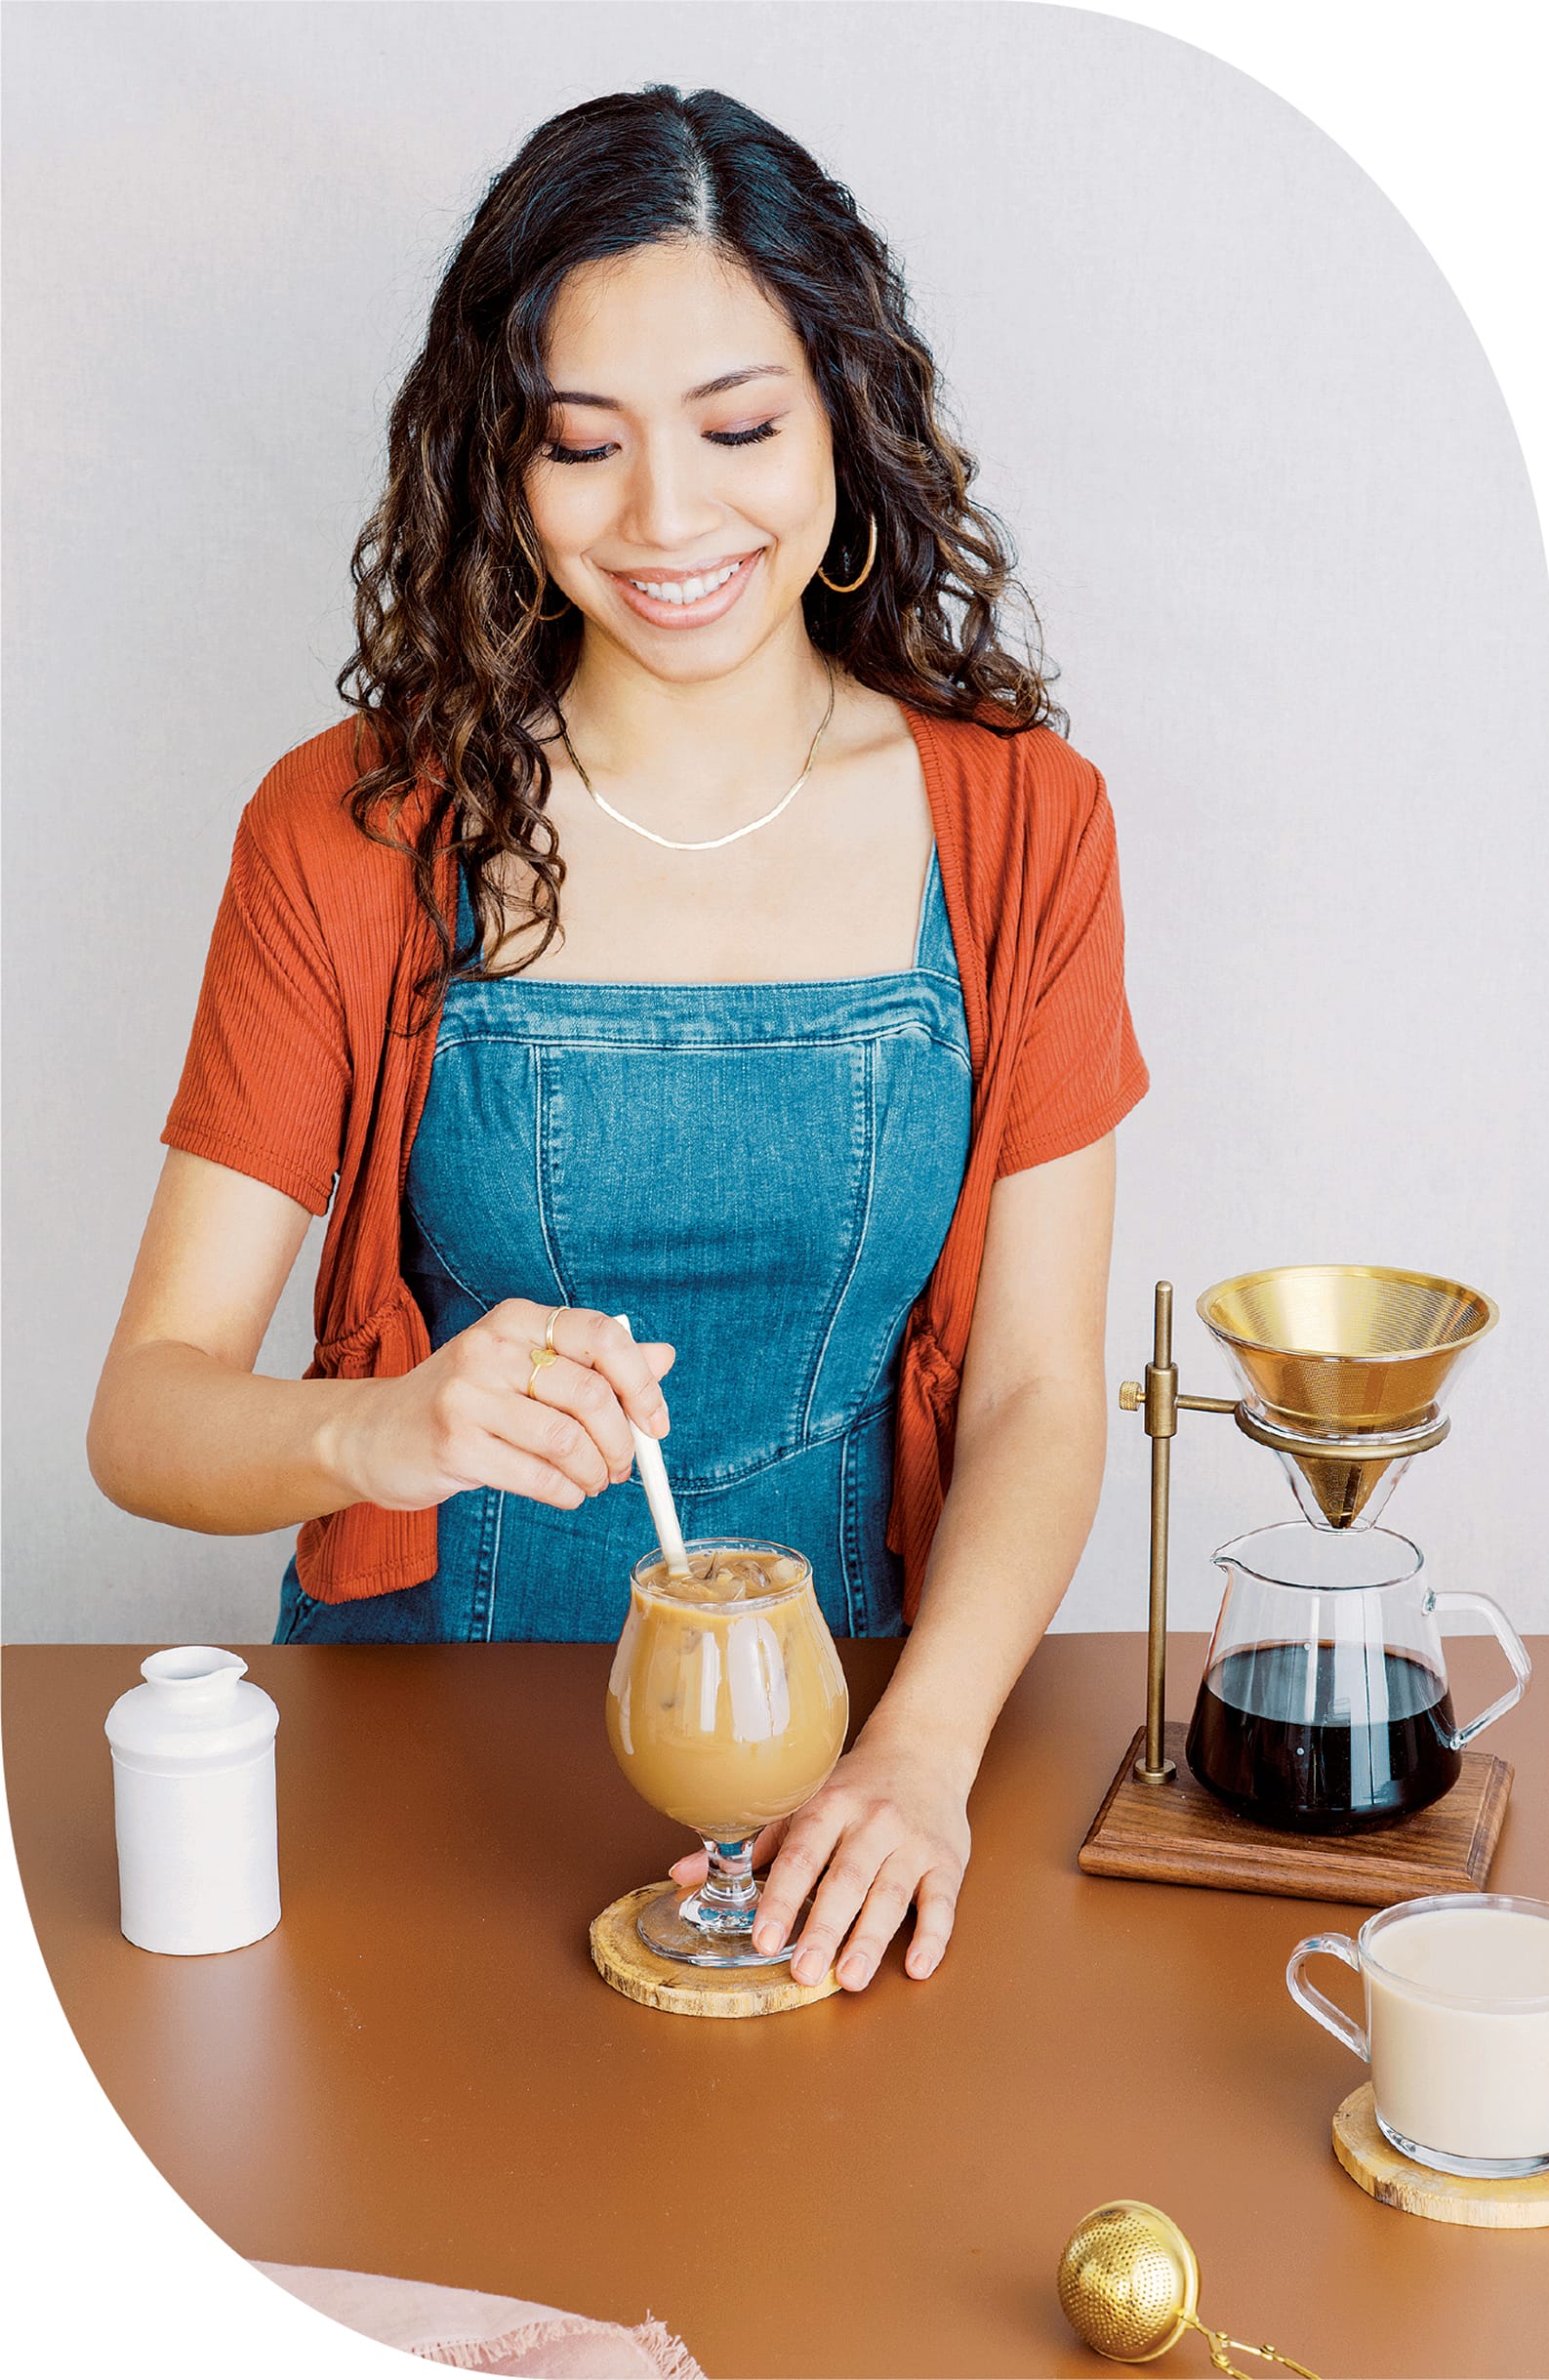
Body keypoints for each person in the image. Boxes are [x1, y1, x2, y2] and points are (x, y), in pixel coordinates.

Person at [88, 85, 1148, 1996]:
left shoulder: (1019, 824)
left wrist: (916, 1756)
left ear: (845, 417)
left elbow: (1036, 1399)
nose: (667, 519)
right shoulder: (345, 831)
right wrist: (375, 1428)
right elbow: (147, 1412)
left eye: (737, 428)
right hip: (429, 1765)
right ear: (500, 465)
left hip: (857, 1771)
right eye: (582, 448)